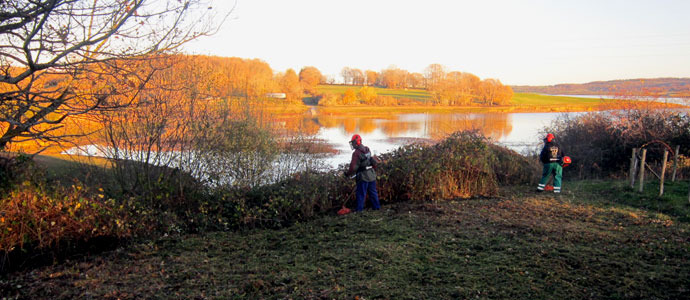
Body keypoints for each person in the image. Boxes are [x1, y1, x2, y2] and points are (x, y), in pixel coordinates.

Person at [344, 134, 381, 211]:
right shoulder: (367, 149)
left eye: (353, 142)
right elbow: (372, 161)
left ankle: (359, 210)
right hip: (371, 174)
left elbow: (353, 167)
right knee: (373, 193)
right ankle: (376, 208)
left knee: (361, 194)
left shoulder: (356, 153)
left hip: (363, 176)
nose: (353, 145)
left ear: (357, 142)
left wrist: (347, 174)